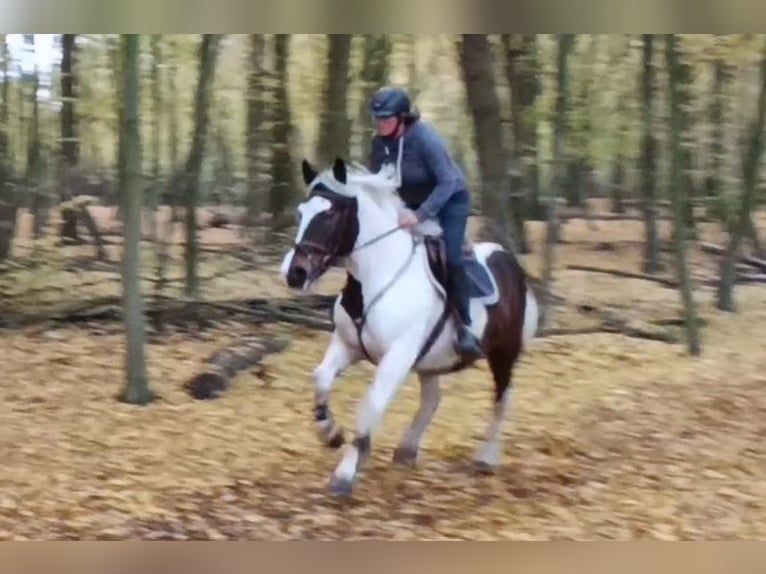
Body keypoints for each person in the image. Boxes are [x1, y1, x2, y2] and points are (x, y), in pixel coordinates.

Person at [367, 86, 483, 361]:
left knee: (452, 259)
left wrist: (419, 216)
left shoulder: (425, 138)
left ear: (403, 117)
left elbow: (449, 181)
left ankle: (465, 327)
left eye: (387, 118)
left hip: (450, 201)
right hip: (410, 202)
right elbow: (377, 183)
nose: (381, 123)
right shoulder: (379, 143)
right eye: (378, 118)